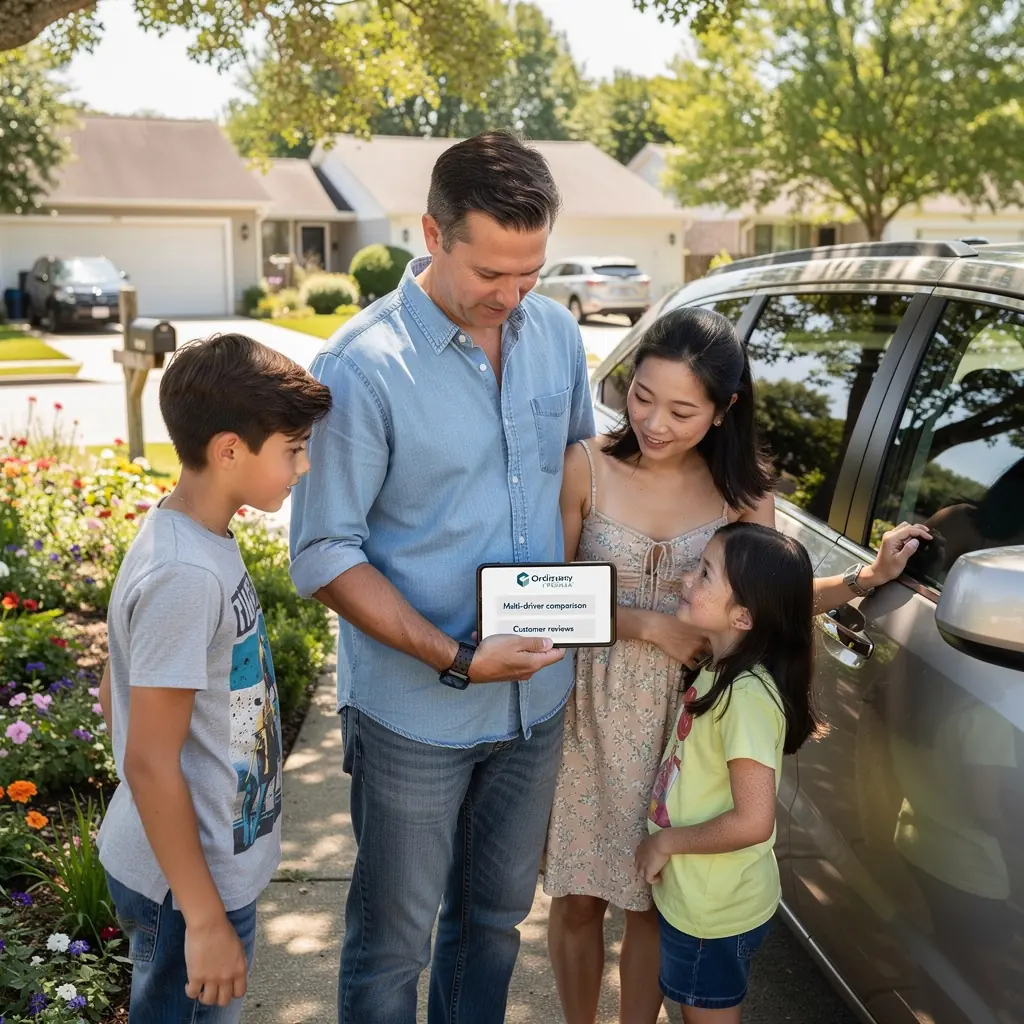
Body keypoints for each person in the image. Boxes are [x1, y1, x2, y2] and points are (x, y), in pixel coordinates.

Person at [544, 306, 931, 1024]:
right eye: (642, 397)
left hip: (694, 722)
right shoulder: (585, 465)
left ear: (724, 412)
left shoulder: (743, 495)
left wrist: (863, 581)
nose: (655, 422)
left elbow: (772, 601)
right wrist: (648, 625)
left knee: (656, 898)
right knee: (577, 897)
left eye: (682, 410)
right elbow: (540, 599)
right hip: (589, 710)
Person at [288, 130, 595, 1024]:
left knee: (494, 924)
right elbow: (324, 553)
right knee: (393, 944)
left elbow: (576, 467)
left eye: (530, 272)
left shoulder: (557, 336)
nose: (510, 296)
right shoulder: (359, 367)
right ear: (432, 232)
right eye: (490, 274)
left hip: (534, 707)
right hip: (412, 715)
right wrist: (458, 655)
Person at [97, 334, 332, 1023]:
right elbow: (147, 758)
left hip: (199, 870)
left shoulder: (196, 535)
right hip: (185, 890)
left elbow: (116, 688)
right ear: (230, 449)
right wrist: (202, 919)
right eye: (292, 448)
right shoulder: (185, 573)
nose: (304, 464)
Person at [634, 522, 817, 1023]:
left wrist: (664, 843)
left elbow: (754, 820)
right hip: (697, 902)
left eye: (704, 573)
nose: (685, 580)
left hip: (712, 915)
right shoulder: (720, 668)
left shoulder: (749, 697)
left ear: (743, 615)